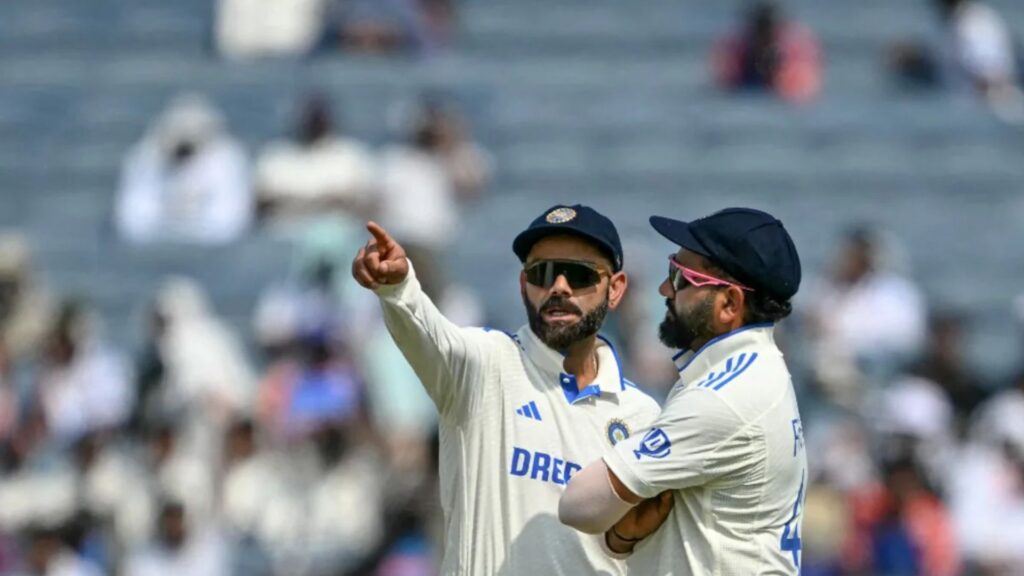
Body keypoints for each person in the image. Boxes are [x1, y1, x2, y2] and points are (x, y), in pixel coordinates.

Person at [351, 205, 663, 574]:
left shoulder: (643, 417)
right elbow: (427, 332)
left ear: (616, 290)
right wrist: (397, 288)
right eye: (541, 273)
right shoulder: (485, 366)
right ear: (522, 285)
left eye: (579, 275)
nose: (559, 287)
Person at [559, 207, 807, 575]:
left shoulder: (725, 396)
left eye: (681, 277)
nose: (664, 288)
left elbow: (578, 505)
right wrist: (623, 538)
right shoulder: (755, 372)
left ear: (730, 304)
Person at [711, 1, 822, 103]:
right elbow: (724, 86)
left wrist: (778, 75)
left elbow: (800, 93)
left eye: (767, 30)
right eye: (760, 30)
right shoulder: (739, 53)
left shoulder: (793, 57)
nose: (763, 37)